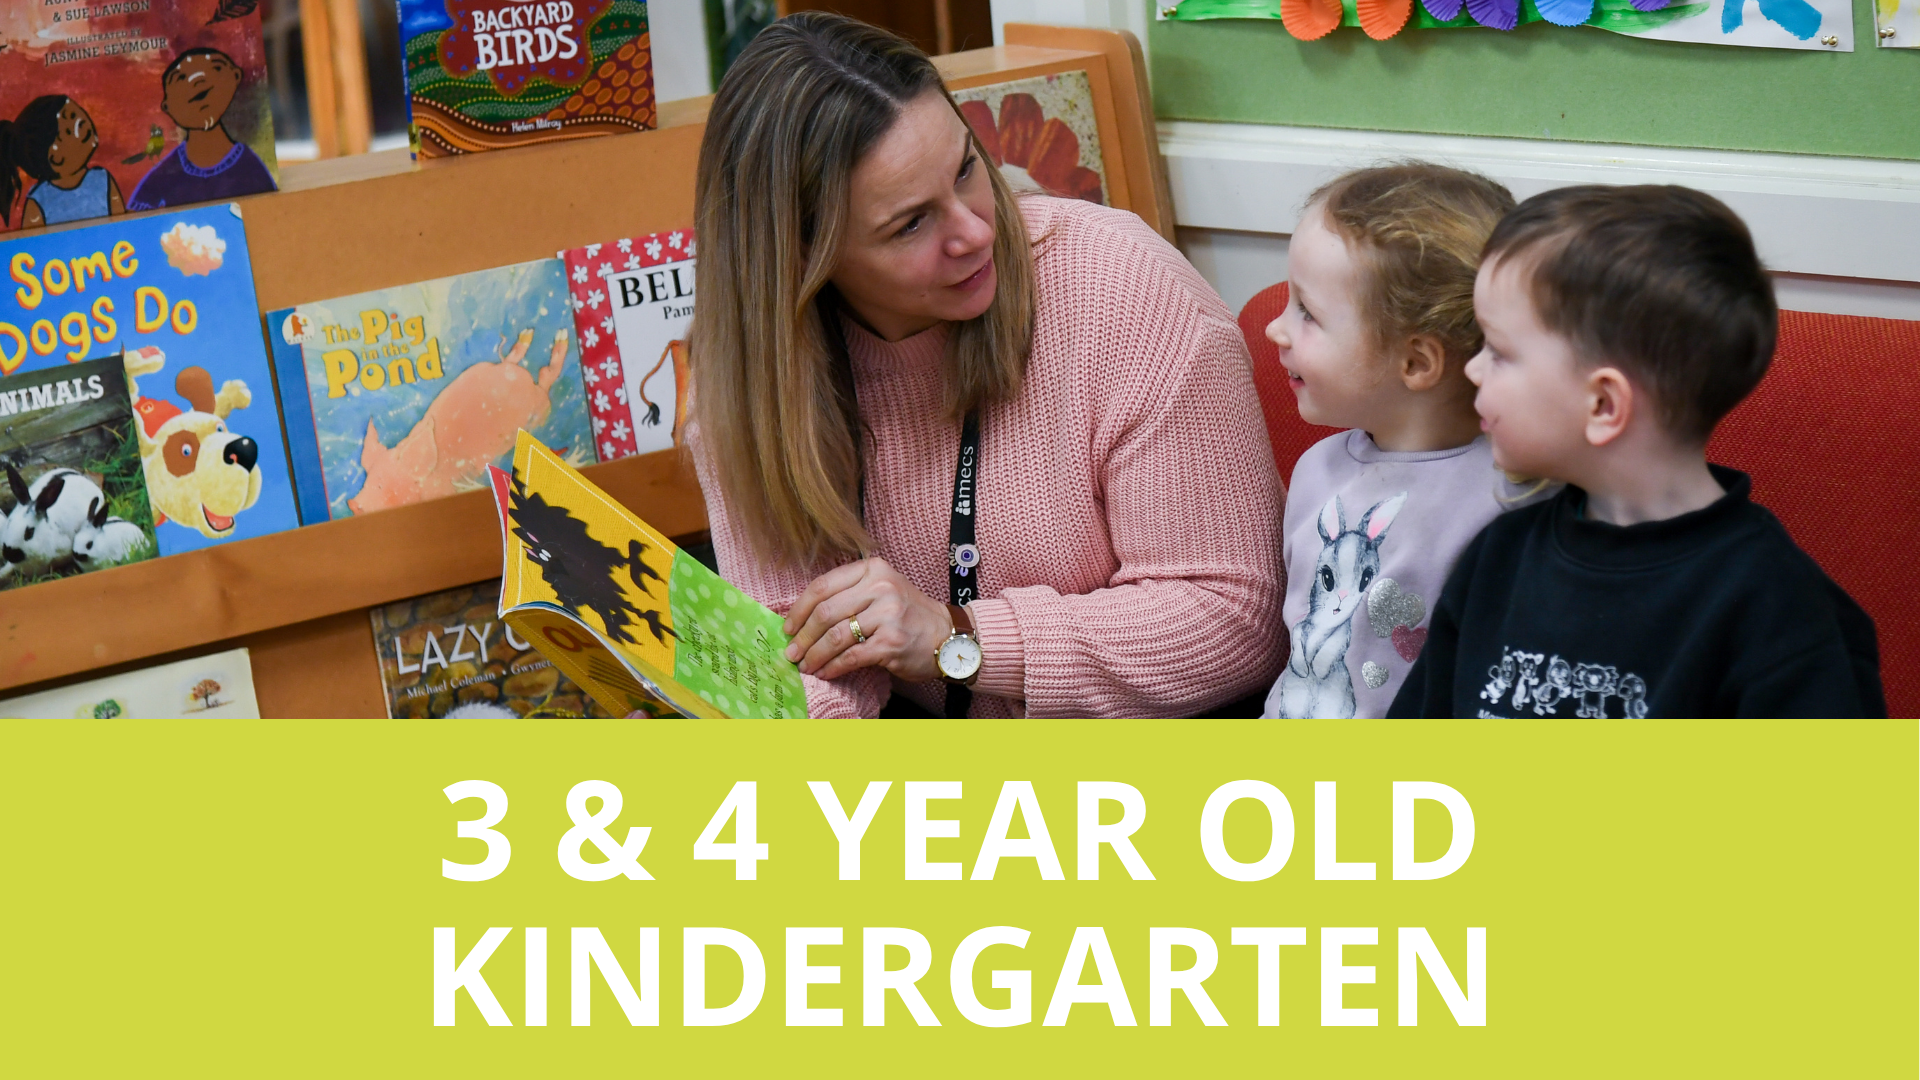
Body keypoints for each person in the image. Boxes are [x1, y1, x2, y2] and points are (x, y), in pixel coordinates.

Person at [685, 13, 1285, 718]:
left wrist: (956, 639)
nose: (975, 231)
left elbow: (1235, 619)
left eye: (966, 167)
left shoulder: (1122, 288)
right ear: (804, 261)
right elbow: (803, 654)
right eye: (910, 224)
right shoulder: (751, 384)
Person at [1390, 185, 1884, 718]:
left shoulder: (1777, 609)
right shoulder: (1496, 559)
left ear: (1604, 404)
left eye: (1500, 351)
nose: (1473, 368)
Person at [1261, 163, 1546, 720]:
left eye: (1307, 313)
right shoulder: (1315, 469)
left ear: (1416, 362)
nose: (1277, 329)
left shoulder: (1514, 497)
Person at [125, 48, 277, 211]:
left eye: (215, 69)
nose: (197, 80)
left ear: (235, 76)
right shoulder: (166, 172)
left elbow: (268, 213)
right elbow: (137, 218)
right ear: (167, 106)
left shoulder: (249, 167)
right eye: (181, 79)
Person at [0, 95, 125, 229]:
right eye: (69, 130)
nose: (81, 124)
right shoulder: (39, 200)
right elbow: (34, 246)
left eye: (76, 115)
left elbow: (122, 227)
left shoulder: (102, 180)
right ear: (55, 158)